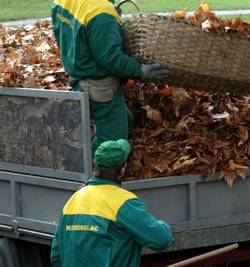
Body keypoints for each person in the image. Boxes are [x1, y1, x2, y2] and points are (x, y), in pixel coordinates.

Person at [51, 0, 168, 155]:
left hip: (79, 75)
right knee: (113, 146)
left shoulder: (63, 2)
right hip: (100, 87)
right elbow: (110, 58)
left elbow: (76, 32)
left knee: (126, 120)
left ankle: (84, 153)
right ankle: (87, 168)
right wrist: (139, 69)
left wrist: (111, 23)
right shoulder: (100, 12)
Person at [51, 139, 173, 267]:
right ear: (122, 170)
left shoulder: (74, 199)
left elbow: (56, 255)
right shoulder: (124, 203)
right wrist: (162, 226)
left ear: (95, 165)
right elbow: (162, 240)